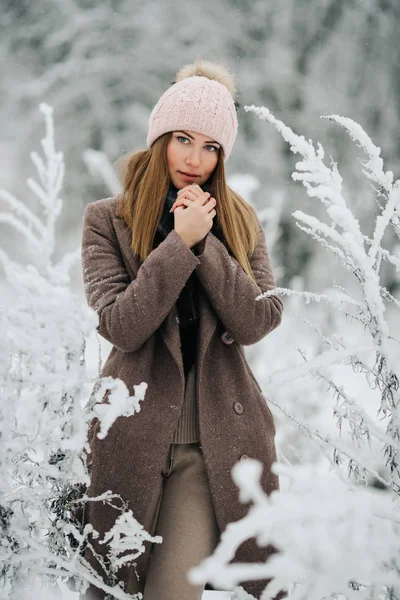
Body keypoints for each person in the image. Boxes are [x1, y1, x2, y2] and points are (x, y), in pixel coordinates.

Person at [79, 59, 285, 600]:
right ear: (159, 139)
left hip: (212, 444)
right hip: (129, 436)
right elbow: (121, 325)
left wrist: (205, 243)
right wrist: (176, 246)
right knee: (111, 590)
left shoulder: (239, 220)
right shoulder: (108, 219)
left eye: (211, 146)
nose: (195, 159)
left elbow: (258, 319)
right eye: (183, 139)